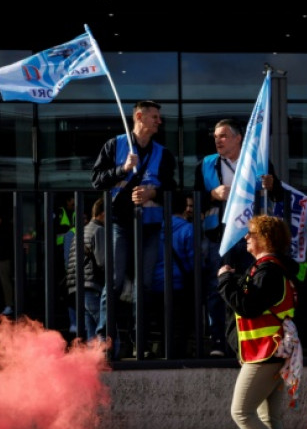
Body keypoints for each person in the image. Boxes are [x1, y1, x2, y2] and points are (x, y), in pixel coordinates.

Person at [218, 215, 300, 429]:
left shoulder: (268, 271)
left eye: (251, 233)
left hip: (266, 351)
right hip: (271, 351)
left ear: (266, 238)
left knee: (240, 411)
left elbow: (246, 305)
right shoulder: (270, 269)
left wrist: (225, 279)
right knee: (269, 416)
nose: (246, 238)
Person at [91, 100, 177, 359]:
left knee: (145, 286)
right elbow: (96, 181)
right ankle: (104, 344)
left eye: (159, 117)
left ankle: (138, 343)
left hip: (150, 225)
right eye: (154, 117)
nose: (159, 121)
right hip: (119, 223)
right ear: (139, 116)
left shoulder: (163, 153)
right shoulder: (114, 145)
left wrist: (154, 191)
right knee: (113, 284)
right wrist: (123, 169)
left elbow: (174, 187)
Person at [194, 118, 284, 357]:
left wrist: (272, 184)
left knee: (248, 287)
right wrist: (212, 194)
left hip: (251, 239)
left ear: (237, 138)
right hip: (219, 236)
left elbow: (278, 195)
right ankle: (218, 342)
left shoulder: (259, 162)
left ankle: (246, 340)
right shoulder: (206, 164)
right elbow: (192, 201)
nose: (217, 141)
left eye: (223, 136)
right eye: (215, 137)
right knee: (218, 287)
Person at [149, 191, 195, 357]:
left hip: (156, 283)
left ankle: (165, 351)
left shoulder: (155, 229)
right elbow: (193, 260)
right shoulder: (188, 229)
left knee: (163, 322)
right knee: (180, 322)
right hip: (179, 284)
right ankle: (178, 353)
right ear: (184, 208)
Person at [66, 197, 106, 342]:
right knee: (104, 324)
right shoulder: (99, 230)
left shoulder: (80, 231)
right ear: (102, 213)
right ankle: (109, 355)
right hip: (92, 283)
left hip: (77, 285)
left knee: (91, 328)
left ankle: (93, 360)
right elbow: (102, 262)